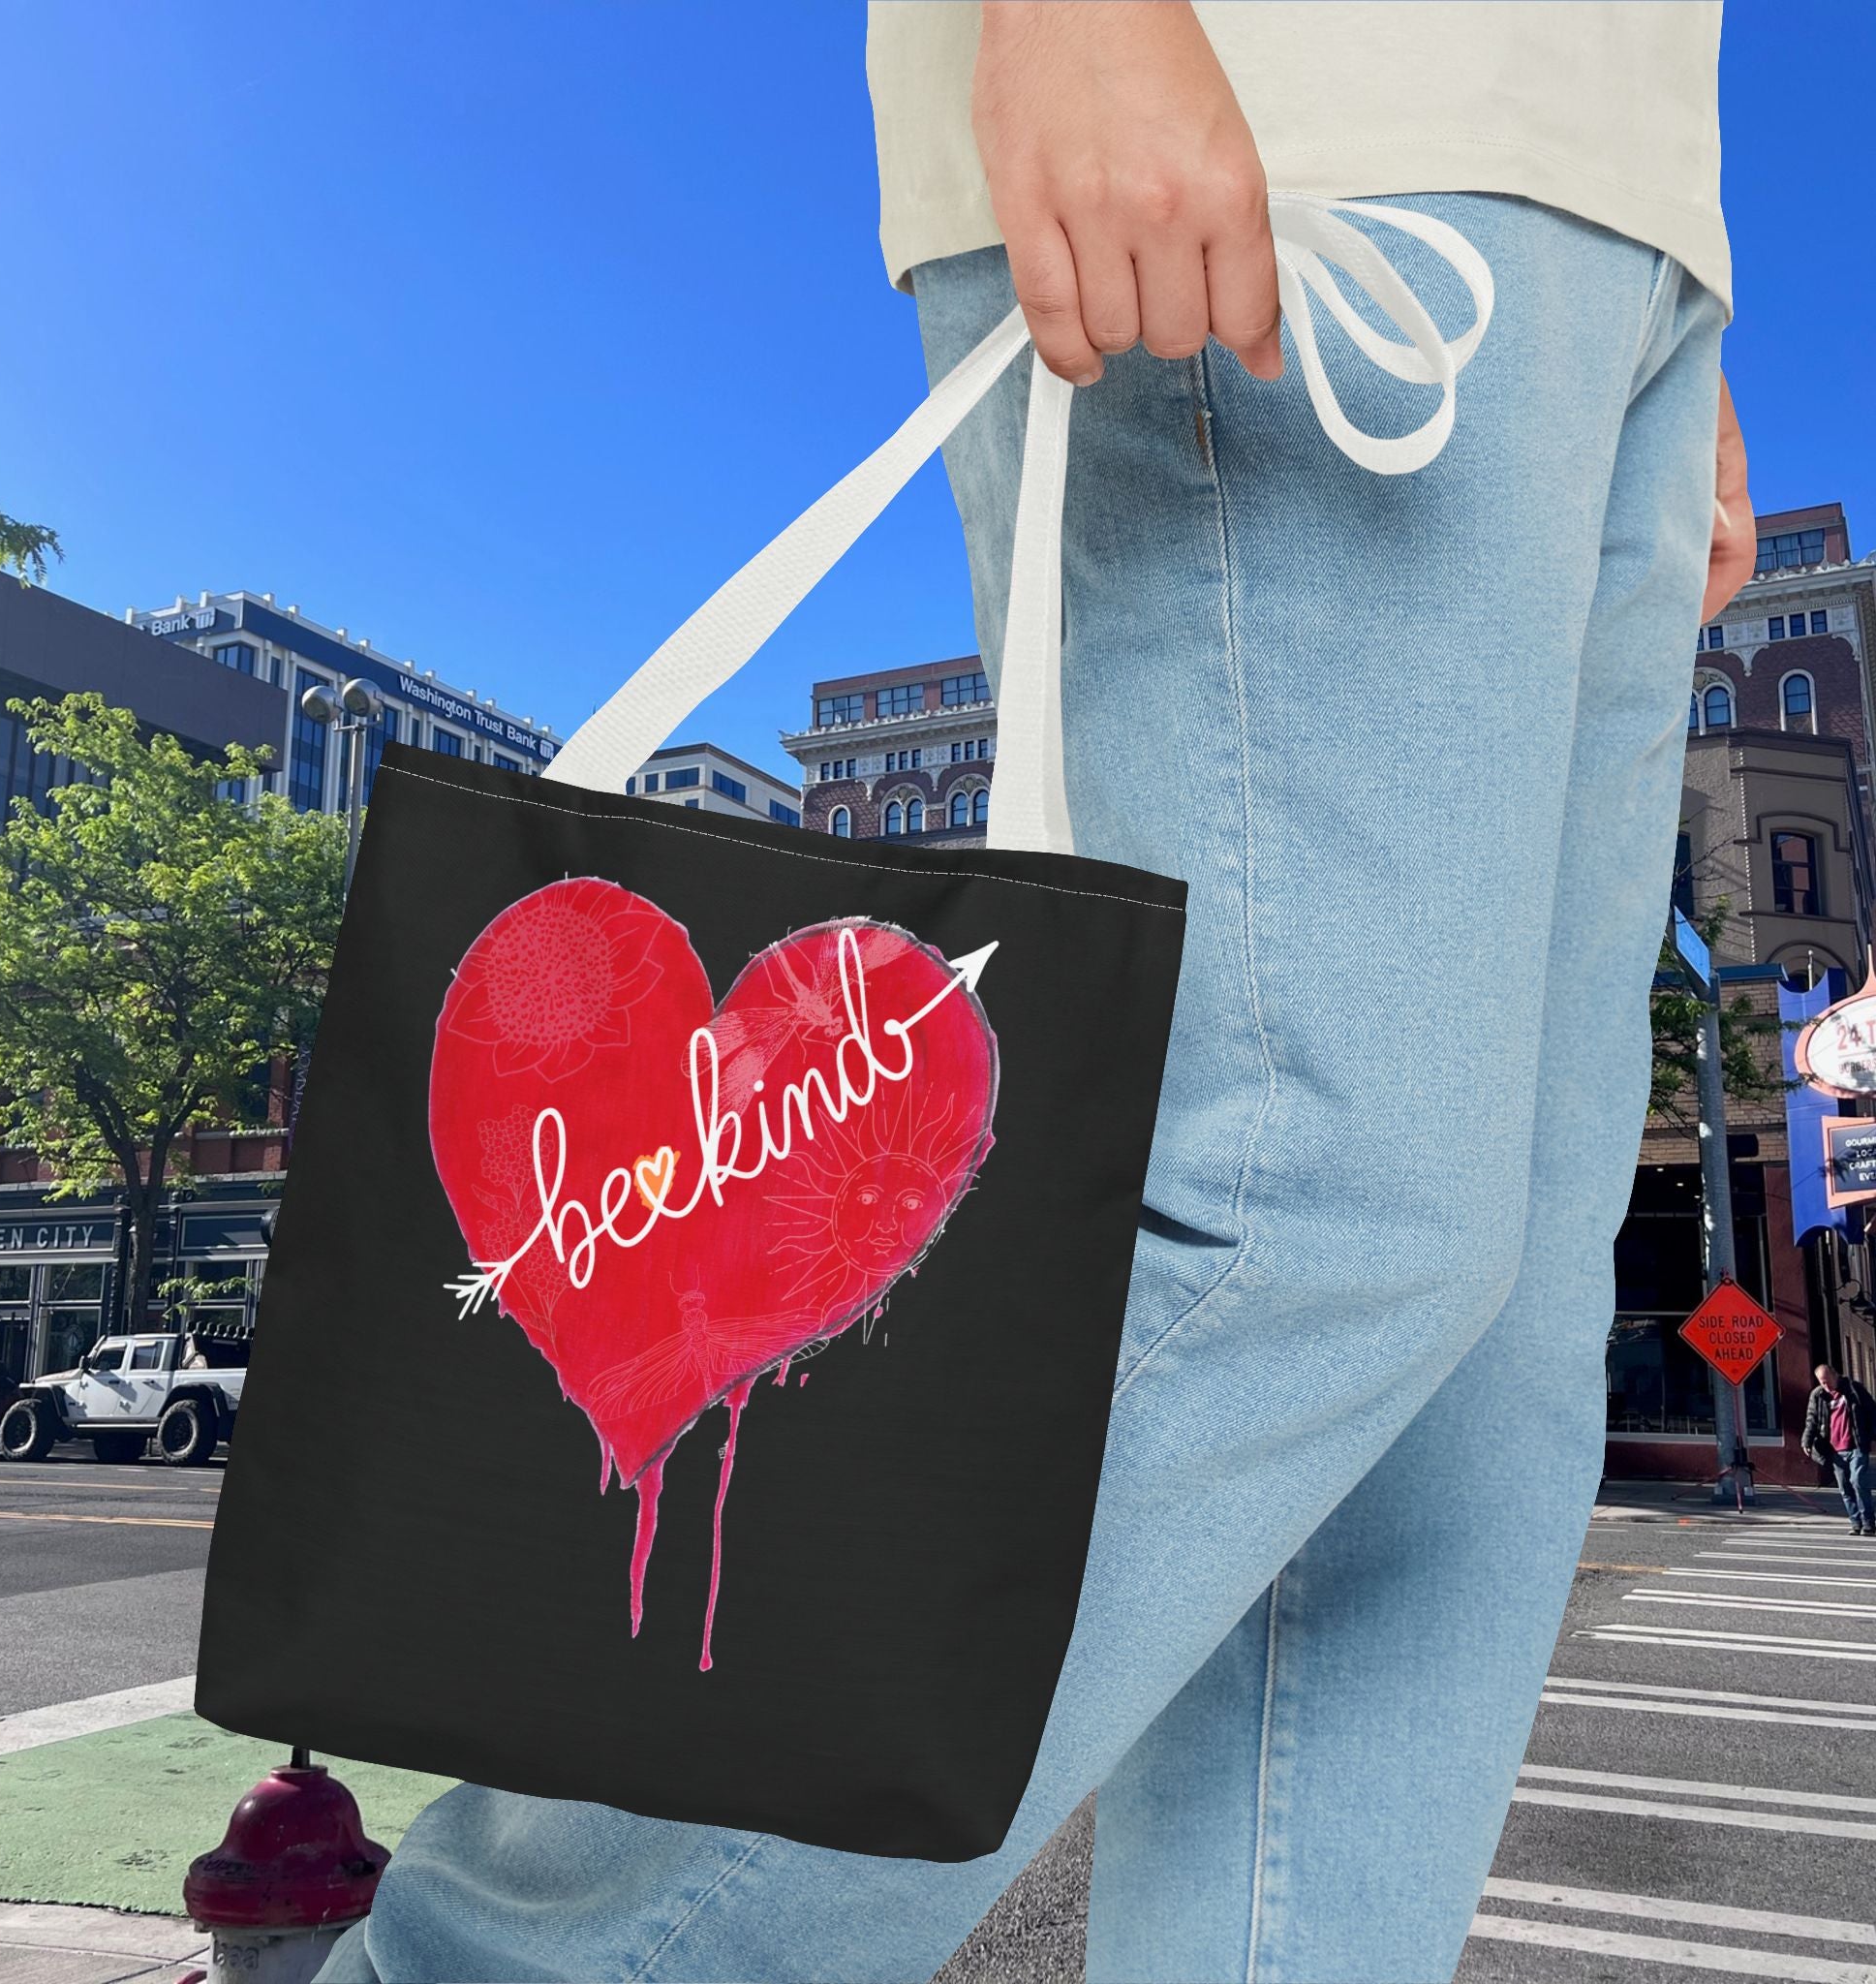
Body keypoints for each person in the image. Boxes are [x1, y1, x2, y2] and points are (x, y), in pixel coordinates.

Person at [320, 5, 1750, 1978]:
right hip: (1308, 109)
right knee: (1298, 1200)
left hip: (1607, 206)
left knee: (1470, 1384)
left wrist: (1666, 263)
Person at [1801, 1362, 1876, 1534]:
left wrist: (1871, 1433)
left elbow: (1872, 1411)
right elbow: (1811, 1419)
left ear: (1835, 1375)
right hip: (1834, 1449)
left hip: (1856, 1445)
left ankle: (1869, 1522)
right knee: (1844, 1488)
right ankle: (1855, 1523)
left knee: (1858, 1482)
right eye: (1822, 1382)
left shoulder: (1853, 1389)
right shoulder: (1818, 1395)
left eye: (1827, 1381)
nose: (1826, 1385)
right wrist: (1807, 1440)